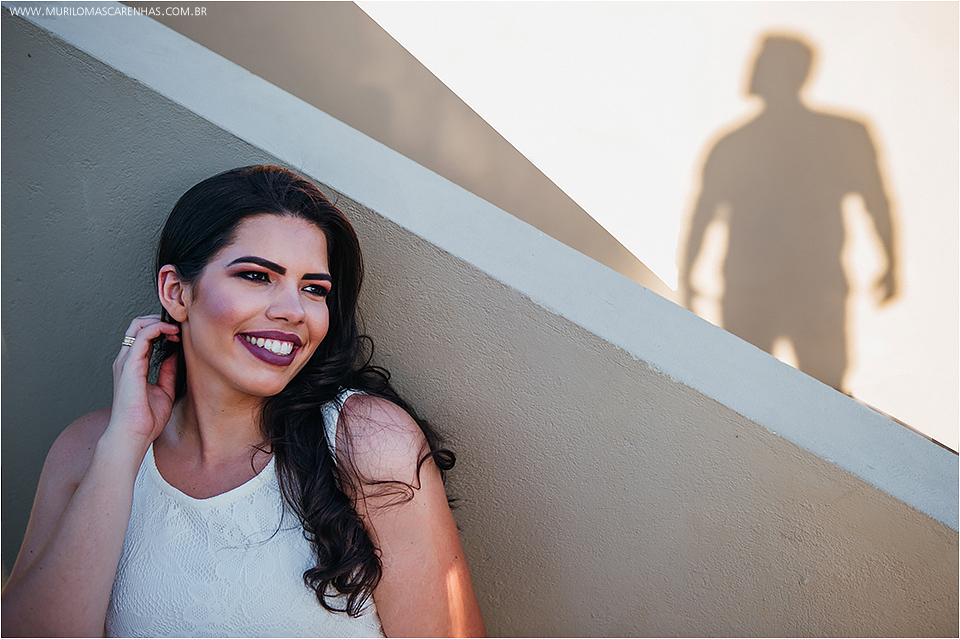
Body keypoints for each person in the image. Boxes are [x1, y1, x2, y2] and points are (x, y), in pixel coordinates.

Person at [1, 165, 486, 637]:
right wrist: (123, 446)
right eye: (257, 276)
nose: (293, 312)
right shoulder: (87, 448)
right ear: (176, 292)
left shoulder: (366, 441)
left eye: (313, 289)